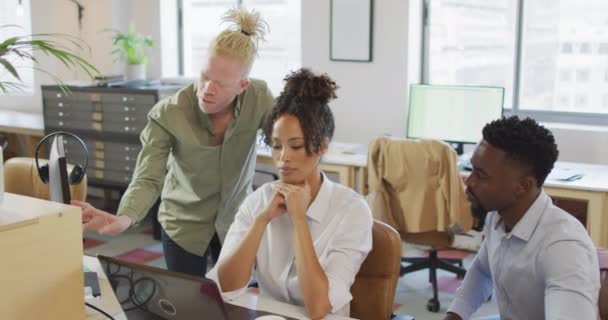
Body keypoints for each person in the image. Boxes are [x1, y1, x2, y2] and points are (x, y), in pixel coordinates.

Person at [75, 7, 275, 277]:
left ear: (242, 86)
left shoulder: (259, 97)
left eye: (220, 83)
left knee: (234, 303)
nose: (207, 89)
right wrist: (124, 217)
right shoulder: (169, 112)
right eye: (204, 76)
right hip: (184, 224)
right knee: (188, 304)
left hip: (236, 220)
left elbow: (284, 139)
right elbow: (148, 178)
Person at [206, 68, 373, 319]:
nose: (283, 157)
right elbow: (226, 288)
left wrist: (298, 220)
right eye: (276, 146)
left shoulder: (352, 210)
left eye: (295, 146)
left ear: (322, 147)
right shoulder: (259, 200)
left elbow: (318, 307)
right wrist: (261, 220)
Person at [444, 116, 600, 320]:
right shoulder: (497, 216)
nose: (469, 181)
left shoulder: (563, 248)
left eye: (481, 175)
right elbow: (482, 271)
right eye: (471, 169)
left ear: (523, 186)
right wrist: (454, 316)